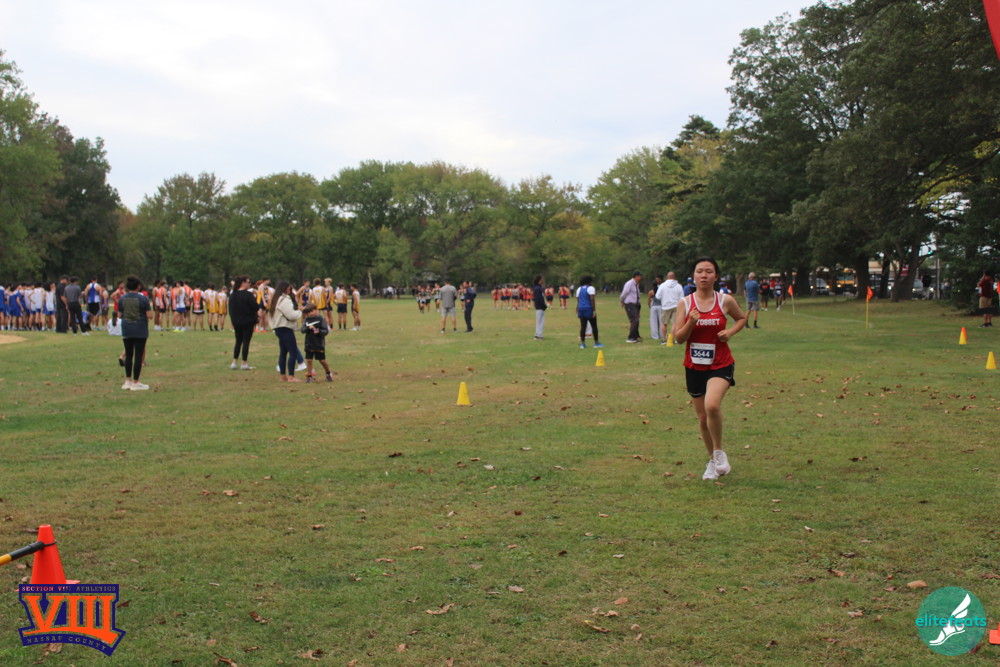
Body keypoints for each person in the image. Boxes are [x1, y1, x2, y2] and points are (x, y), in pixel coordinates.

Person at [673, 257, 747, 481]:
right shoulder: (685, 303)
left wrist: (730, 332)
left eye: (708, 271)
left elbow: (741, 319)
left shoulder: (725, 300)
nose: (704, 275)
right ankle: (713, 461)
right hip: (694, 366)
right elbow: (678, 338)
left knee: (712, 404)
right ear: (693, 276)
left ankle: (719, 452)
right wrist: (691, 322)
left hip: (720, 363)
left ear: (716, 276)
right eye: (699, 271)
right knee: (703, 417)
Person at [118, 275, 151, 390]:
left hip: (127, 328)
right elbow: (149, 315)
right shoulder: (143, 299)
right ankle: (136, 381)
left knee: (128, 354)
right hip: (140, 329)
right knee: (138, 356)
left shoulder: (122, 298)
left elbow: (119, 314)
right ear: (138, 286)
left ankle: (127, 380)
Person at [268, 280, 303, 382]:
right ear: (284, 288)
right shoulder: (285, 300)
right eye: (289, 288)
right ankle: (291, 376)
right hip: (285, 328)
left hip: (278, 328)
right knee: (293, 352)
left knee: (283, 352)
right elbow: (291, 315)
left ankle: (283, 376)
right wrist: (300, 311)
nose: (290, 290)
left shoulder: (276, 299)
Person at [229, 276, 258, 370]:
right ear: (243, 283)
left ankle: (234, 362)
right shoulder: (248, 295)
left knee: (238, 341)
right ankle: (244, 363)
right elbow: (255, 307)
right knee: (246, 342)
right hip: (248, 321)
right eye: (248, 282)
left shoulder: (233, 295)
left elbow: (231, 310)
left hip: (237, 322)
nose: (249, 284)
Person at [300, 304, 333, 382]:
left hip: (318, 344)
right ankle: (309, 376)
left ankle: (328, 373)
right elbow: (302, 330)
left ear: (315, 310)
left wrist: (318, 331)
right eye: (308, 312)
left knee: (322, 360)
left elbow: (325, 331)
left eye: (311, 311)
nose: (310, 313)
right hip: (309, 343)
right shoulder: (306, 320)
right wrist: (308, 328)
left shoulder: (320, 319)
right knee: (309, 360)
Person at [655, 271, 684, 344]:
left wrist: (664, 298)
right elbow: (682, 297)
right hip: (676, 306)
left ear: (667, 277)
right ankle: (672, 339)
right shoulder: (678, 286)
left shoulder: (662, 285)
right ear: (674, 277)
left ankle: (664, 339)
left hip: (665, 306)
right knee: (674, 323)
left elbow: (657, 296)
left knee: (664, 323)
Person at [576, 275, 604, 349]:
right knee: (594, 325)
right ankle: (596, 343)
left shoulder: (579, 289)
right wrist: (594, 311)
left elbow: (578, 300)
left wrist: (578, 308)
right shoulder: (591, 288)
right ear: (589, 281)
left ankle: (582, 344)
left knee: (583, 326)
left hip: (581, 308)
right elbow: (592, 299)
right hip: (588, 308)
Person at [620, 270, 643, 343]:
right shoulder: (629, 283)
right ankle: (631, 337)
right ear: (636, 276)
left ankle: (636, 336)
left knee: (637, 320)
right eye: (640, 276)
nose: (640, 278)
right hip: (630, 304)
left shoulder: (636, 284)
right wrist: (622, 301)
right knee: (634, 320)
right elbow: (624, 293)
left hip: (636, 304)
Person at [648, 275, 663, 341]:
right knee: (661, 321)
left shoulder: (651, 292)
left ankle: (655, 336)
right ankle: (662, 334)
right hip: (660, 306)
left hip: (653, 306)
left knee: (653, 322)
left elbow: (649, 301)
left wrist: (649, 306)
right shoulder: (660, 291)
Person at [532, 275, 547, 340]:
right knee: (540, 322)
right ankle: (539, 335)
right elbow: (539, 298)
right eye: (541, 279)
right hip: (540, 306)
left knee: (539, 321)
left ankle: (537, 334)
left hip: (539, 306)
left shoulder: (537, 288)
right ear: (539, 280)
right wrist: (544, 305)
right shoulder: (538, 288)